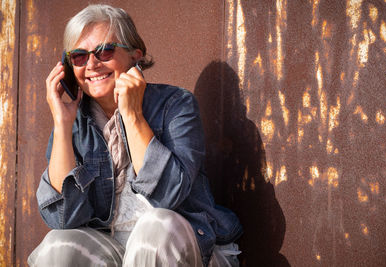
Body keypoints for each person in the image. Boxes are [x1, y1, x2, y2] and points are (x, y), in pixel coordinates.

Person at [28, 4, 242, 267]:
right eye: (79, 56)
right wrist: (62, 123)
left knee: (154, 229)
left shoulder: (175, 105)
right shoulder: (74, 121)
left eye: (104, 51)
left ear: (135, 55)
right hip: (113, 250)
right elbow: (62, 218)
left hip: (179, 247)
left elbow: (168, 196)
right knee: (57, 245)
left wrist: (132, 115)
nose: (92, 64)